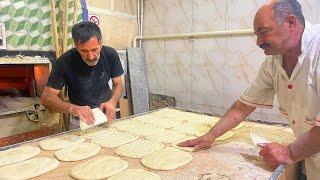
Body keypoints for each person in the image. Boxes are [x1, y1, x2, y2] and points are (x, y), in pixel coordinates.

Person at [179, 0, 320, 179]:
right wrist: (210, 136)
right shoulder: (274, 61)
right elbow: (242, 107)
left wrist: (290, 153)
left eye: (263, 32)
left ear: (290, 23)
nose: (258, 42)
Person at [41, 21, 124, 129]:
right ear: (76, 46)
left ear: (101, 43)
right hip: (80, 119)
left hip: (106, 113)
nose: (90, 56)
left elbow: (118, 84)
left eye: (94, 50)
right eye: (84, 51)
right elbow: (46, 98)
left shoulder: (110, 55)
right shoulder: (65, 61)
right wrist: (73, 109)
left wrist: (112, 102)